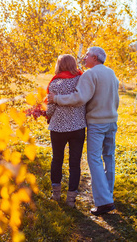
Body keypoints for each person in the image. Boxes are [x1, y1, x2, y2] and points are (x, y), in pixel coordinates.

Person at [48, 46, 119, 216]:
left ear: (95, 57)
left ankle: (104, 202)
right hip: (111, 120)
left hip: (97, 122)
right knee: (109, 158)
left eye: (87, 55)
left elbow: (79, 98)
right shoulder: (111, 73)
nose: (84, 58)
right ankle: (108, 195)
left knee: (93, 159)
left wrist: (56, 98)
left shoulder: (90, 74)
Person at [46, 54, 86, 208]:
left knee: (57, 159)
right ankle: (71, 199)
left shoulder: (55, 83)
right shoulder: (81, 81)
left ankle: (56, 194)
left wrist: (46, 114)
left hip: (58, 128)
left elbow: (50, 107)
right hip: (77, 127)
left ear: (59, 65)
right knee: (75, 163)